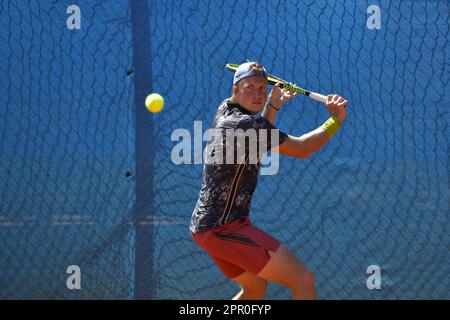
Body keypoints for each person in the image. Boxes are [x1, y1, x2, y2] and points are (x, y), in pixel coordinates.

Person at [190, 61, 348, 300]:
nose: (257, 94)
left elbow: (259, 135)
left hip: (206, 227)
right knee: (303, 280)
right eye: (249, 87)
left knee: (255, 289)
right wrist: (335, 119)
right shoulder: (247, 124)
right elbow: (303, 148)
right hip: (224, 228)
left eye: (262, 89)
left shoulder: (226, 109)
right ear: (235, 90)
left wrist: (272, 105)